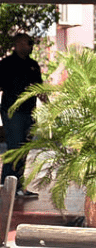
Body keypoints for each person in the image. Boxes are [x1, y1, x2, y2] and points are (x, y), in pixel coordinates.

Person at [0, 33, 44, 198]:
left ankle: (19, 187)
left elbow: (39, 88)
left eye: (32, 43)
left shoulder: (33, 65)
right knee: (14, 149)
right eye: (28, 42)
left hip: (29, 112)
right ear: (18, 44)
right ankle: (6, 186)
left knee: (24, 150)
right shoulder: (6, 64)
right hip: (12, 113)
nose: (31, 46)